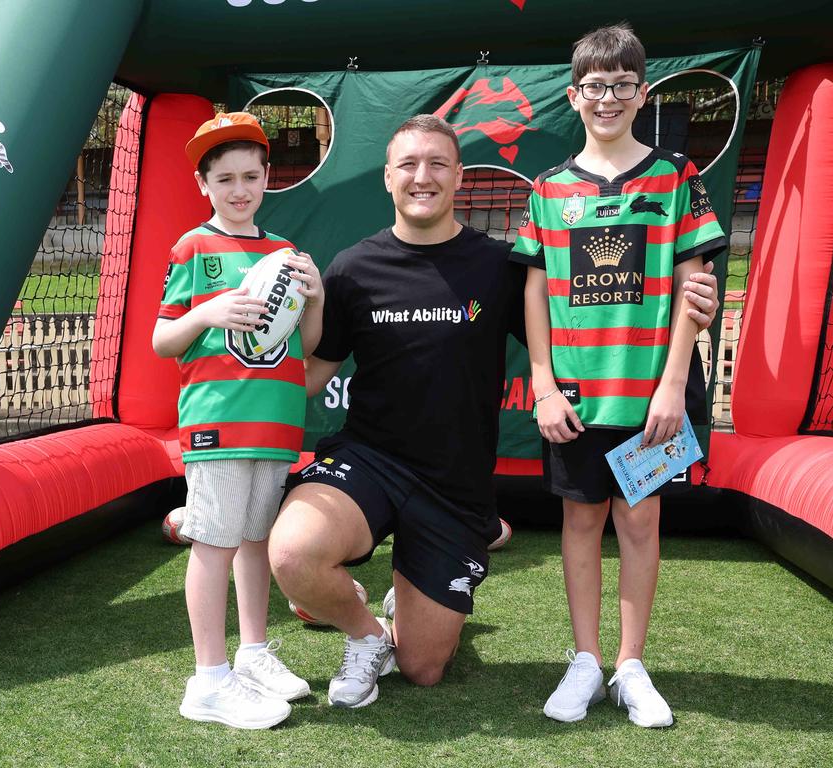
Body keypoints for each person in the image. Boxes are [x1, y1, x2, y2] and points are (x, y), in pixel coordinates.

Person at [267, 113, 720, 710]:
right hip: (369, 460)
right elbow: (308, 377)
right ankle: (365, 632)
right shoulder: (352, 268)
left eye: (436, 164)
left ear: (459, 177)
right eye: (408, 164)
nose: (421, 177)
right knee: (294, 553)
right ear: (387, 178)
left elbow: (583, 328)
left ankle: (409, 598)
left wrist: (688, 306)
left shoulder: (499, 267)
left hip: (454, 487)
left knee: (425, 668)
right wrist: (240, 359)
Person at [511, 23, 728, 727]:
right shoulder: (549, 189)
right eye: (595, 86)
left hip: (654, 395)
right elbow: (535, 291)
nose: (608, 97)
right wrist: (542, 383)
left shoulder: (676, 179)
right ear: (574, 96)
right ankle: (585, 661)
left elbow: (696, 289)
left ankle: (631, 665)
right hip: (576, 395)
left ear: (641, 93)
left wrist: (671, 386)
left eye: (622, 85)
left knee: (640, 521)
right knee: (580, 521)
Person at [152, 112, 324, 730]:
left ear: (268, 177)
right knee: (215, 542)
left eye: (250, 175)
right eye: (224, 178)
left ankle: (252, 656)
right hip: (218, 421)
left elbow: (306, 343)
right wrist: (208, 313)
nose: (239, 189)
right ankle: (208, 680)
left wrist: (318, 295)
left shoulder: (283, 254)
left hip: (275, 423)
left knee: (254, 541)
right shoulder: (193, 247)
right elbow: (162, 339)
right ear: (204, 184)